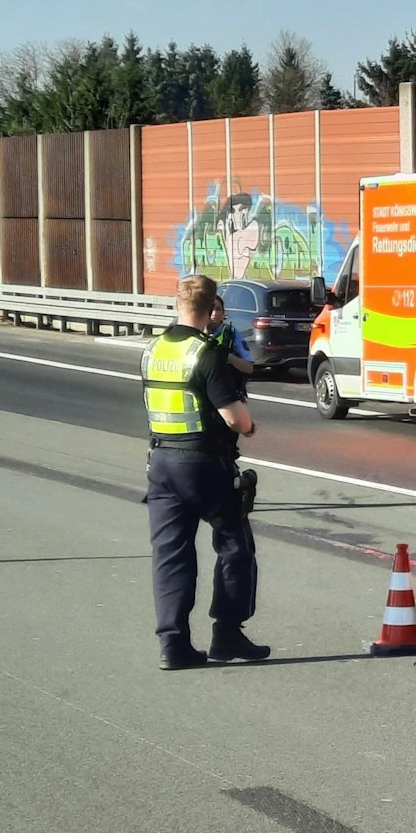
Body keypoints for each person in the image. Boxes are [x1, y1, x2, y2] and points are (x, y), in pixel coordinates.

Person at [143, 275, 267, 670]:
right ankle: (227, 634)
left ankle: (173, 644)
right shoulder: (207, 354)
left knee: (170, 555)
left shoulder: (152, 349)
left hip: (160, 464)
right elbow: (235, 418)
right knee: (234, 545)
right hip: (203, 463)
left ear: (177, 303)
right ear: (212, 306)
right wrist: (247, 426)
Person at [207, 295, 255, 377]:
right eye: (211, 309)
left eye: (218, 309)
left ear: (223, 312)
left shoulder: (233, 333)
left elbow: (249, 368)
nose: (214, 313)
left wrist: (226, 355)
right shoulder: (195, 331)